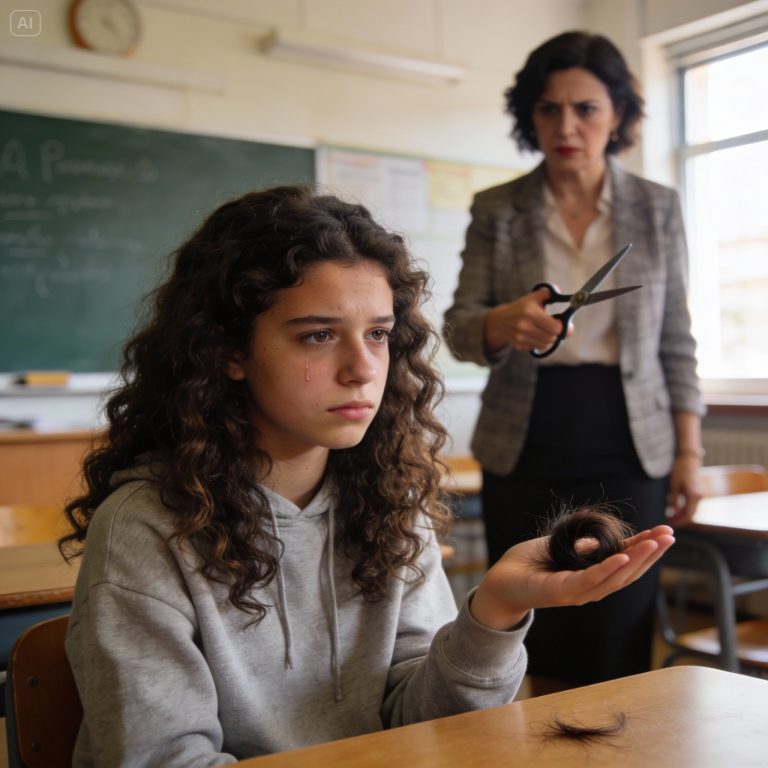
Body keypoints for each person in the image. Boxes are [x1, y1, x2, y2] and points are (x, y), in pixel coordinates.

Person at [61, 185, 674, 766]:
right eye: (319, 336)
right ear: (227, 351)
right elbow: (163, 758)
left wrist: (493, 613)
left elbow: (429, 726)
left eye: (378, 334)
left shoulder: (388, 499)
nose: (362, 369)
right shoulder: (144, 529)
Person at [443, 31, 704, 693]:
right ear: (530, 117)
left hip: (629, 433)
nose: (567, 126)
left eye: (586, 108)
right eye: (549, 109)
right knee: (535, 613)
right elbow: (460, 327)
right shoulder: (498, 210)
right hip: (528, 434)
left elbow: (676, 337)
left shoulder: (657, 207)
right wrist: (503, 322)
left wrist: (689, 452)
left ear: (616, 115)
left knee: (621, 611)